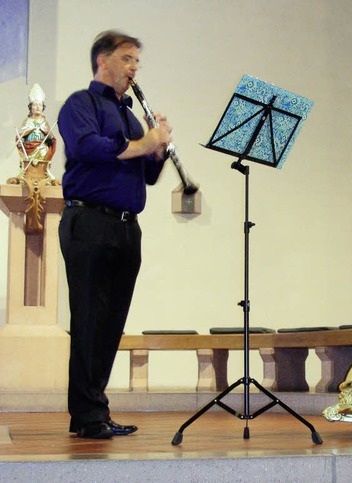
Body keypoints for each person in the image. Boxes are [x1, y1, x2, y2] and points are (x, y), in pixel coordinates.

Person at [57, 30, 172, 439]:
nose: (134, 68)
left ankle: (94, 411)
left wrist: (157, 149)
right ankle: (87, 414)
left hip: (126, 226)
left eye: (136, 61)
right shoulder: (79, 104)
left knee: (110, 323)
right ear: (102, 61)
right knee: (89, 318)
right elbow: (89, 148)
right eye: (126, 59)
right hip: (88, 222)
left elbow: (148, 175)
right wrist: (145, 142)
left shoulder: (129, 116)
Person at [15, 83, 57, 181]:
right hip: (28, 148)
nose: (38, 107)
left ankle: (43, 172)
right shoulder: (27, 121)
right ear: (30, 107)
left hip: (42, 147)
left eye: (40, 105)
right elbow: (21, 135)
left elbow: (50, 136)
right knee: (27, 158)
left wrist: (50, 139)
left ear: (43, 107)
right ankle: (26, 172)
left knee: (43, 151)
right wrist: (21, 140)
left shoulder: (44, 122)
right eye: (35, 105)